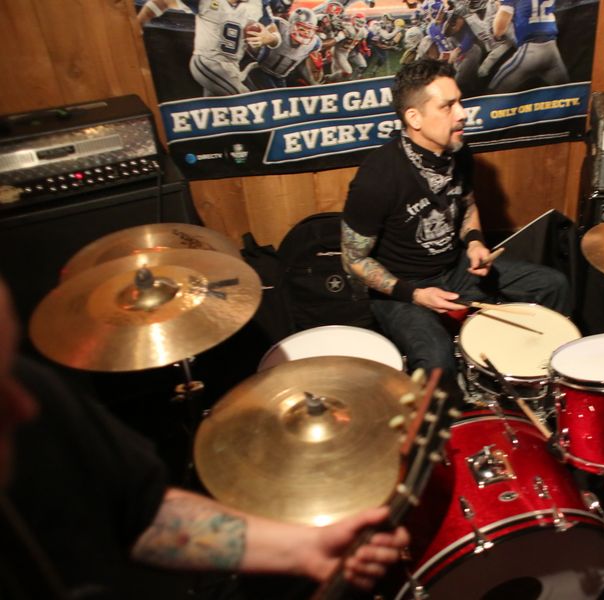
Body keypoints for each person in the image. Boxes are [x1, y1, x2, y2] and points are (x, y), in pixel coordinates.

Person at [0, 279, 408, 598]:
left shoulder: (36, 392)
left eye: (10, 364)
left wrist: (304, 547)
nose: (24, 407)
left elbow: (146, 512)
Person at [340, 58, 571, 388]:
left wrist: (475, 241)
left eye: (459, 102)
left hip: (454, 268)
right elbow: (353, 260)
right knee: (438, 362)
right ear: (414, 118)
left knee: (553, 285)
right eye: (447, 106)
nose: (462, 113)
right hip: (402, 289)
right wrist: (414, 294)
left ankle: (536, 385)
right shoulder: (377, 178)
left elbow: (467, 203)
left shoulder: (458, 151)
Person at [138, 0, 282, 97]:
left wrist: (269, 38)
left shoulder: (258, 4)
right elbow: (163, 2)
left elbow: (275, 35)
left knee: (216, 113)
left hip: (231, 67)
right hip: (207, 62)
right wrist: (137, 23)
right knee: (245, 101)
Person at [488, 0, 569, 93]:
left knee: (493, 92)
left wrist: (501, 9)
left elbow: (499, 30)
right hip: (552, 50)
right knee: (568, 94)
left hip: (530, 51)